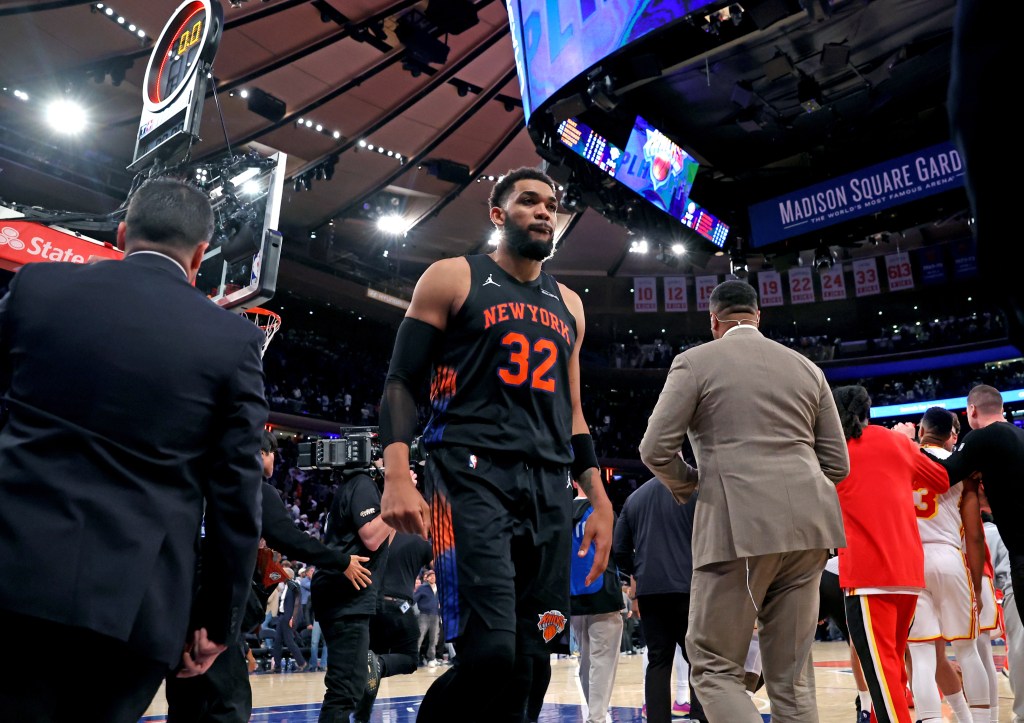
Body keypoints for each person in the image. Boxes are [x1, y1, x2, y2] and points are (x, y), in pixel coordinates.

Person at [0, 177, 267, 722]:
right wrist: (218, 621)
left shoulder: (35, 288)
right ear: (199, 255)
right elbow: (238, 498)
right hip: (133, 607)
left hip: (12, 573)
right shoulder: (232, 341)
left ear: (122, 233)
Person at [377, 166, 614, 722]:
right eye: (529, 201)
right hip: (468, 474)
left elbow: (574, 413)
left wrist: (599, 499)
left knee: (532, 664)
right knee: (490, 655)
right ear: (498, 214)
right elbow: (401, 381)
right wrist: (396, 472)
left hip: (549, 488)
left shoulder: (570, 304)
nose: (543, 211)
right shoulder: (452, 276)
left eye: (551, 205)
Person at [639, 279, 849, 723]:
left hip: (740, 528)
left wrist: (695, 484)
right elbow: (838, 464)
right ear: (759, 316)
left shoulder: (694, 363)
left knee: (714, 669)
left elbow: (654, 449)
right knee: (791, 679)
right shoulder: (807, 368)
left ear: (713, 321)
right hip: (811, 531)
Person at [165, 429, 370, 722]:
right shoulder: (252, 487)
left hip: (175, 605)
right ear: (262, 454)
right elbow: (290, 538)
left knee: (186, 703)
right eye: (274, 453)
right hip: (213, 604)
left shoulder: (200, 484)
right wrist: (341, 560)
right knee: (229, 705)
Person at [831, 385, 949, 723]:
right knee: (894, 670)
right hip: (909, 574)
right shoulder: (897, 442)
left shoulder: (834, 450)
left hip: (868, 576)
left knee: (882, 680)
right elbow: (940, 479)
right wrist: (909, 447)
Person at [905, 407, 989, 723]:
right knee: (967, 651)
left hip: (912, 562)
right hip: (951, 558)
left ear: (922, 429)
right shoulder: (960, 466)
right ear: (951, 434)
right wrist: (977, 585)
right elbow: (975, 534)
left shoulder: (904, 461)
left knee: (923, 655)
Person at [613, 477, 704, 723]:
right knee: (699, 660)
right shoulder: (698, 491)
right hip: (691, 588)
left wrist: (638, 572)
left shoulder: (635, 498)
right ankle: (699, 717)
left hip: (651, 591)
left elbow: (619, 549)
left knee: (658, 661)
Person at [312, 463, 393, 723]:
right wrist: (396, 488)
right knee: (345, 689)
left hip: (345, 596)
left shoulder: (355, 485)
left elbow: (382, 541)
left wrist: (394, 495)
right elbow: (371, 536)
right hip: (347, 597)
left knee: (347, 686)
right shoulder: (362, 483)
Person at [940, 384, 1024, 621]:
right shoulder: (1019, 435)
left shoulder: (981, 437)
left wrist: (909, 447)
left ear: (972, 410)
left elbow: (944, 475)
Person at [358, 529, 434, 722]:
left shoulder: (376, 537)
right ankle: (380, 664)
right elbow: (440, 567)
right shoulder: (420, 544)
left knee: (371, 669)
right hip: (399, 606)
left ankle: (361, 716)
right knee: (409, 660)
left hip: (370, 607)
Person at [569, 481, 624, 723]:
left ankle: (594, 714)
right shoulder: (603, 510)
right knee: (603, 661)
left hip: (572, 597)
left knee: (586, 660)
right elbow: (618, 550)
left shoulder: (561, 511)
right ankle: (597, 718)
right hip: (603, 595)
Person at [415, 569, 441, 666]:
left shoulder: (439, 588)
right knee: (419, 637)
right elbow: (414, 599)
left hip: (435, 615)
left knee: (434, 638)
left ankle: (431, 658)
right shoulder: (422, 588)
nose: (433, 577)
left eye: (434, 576)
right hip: (424, 616)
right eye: (431, 576)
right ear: (427, 578)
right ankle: (414, 658)